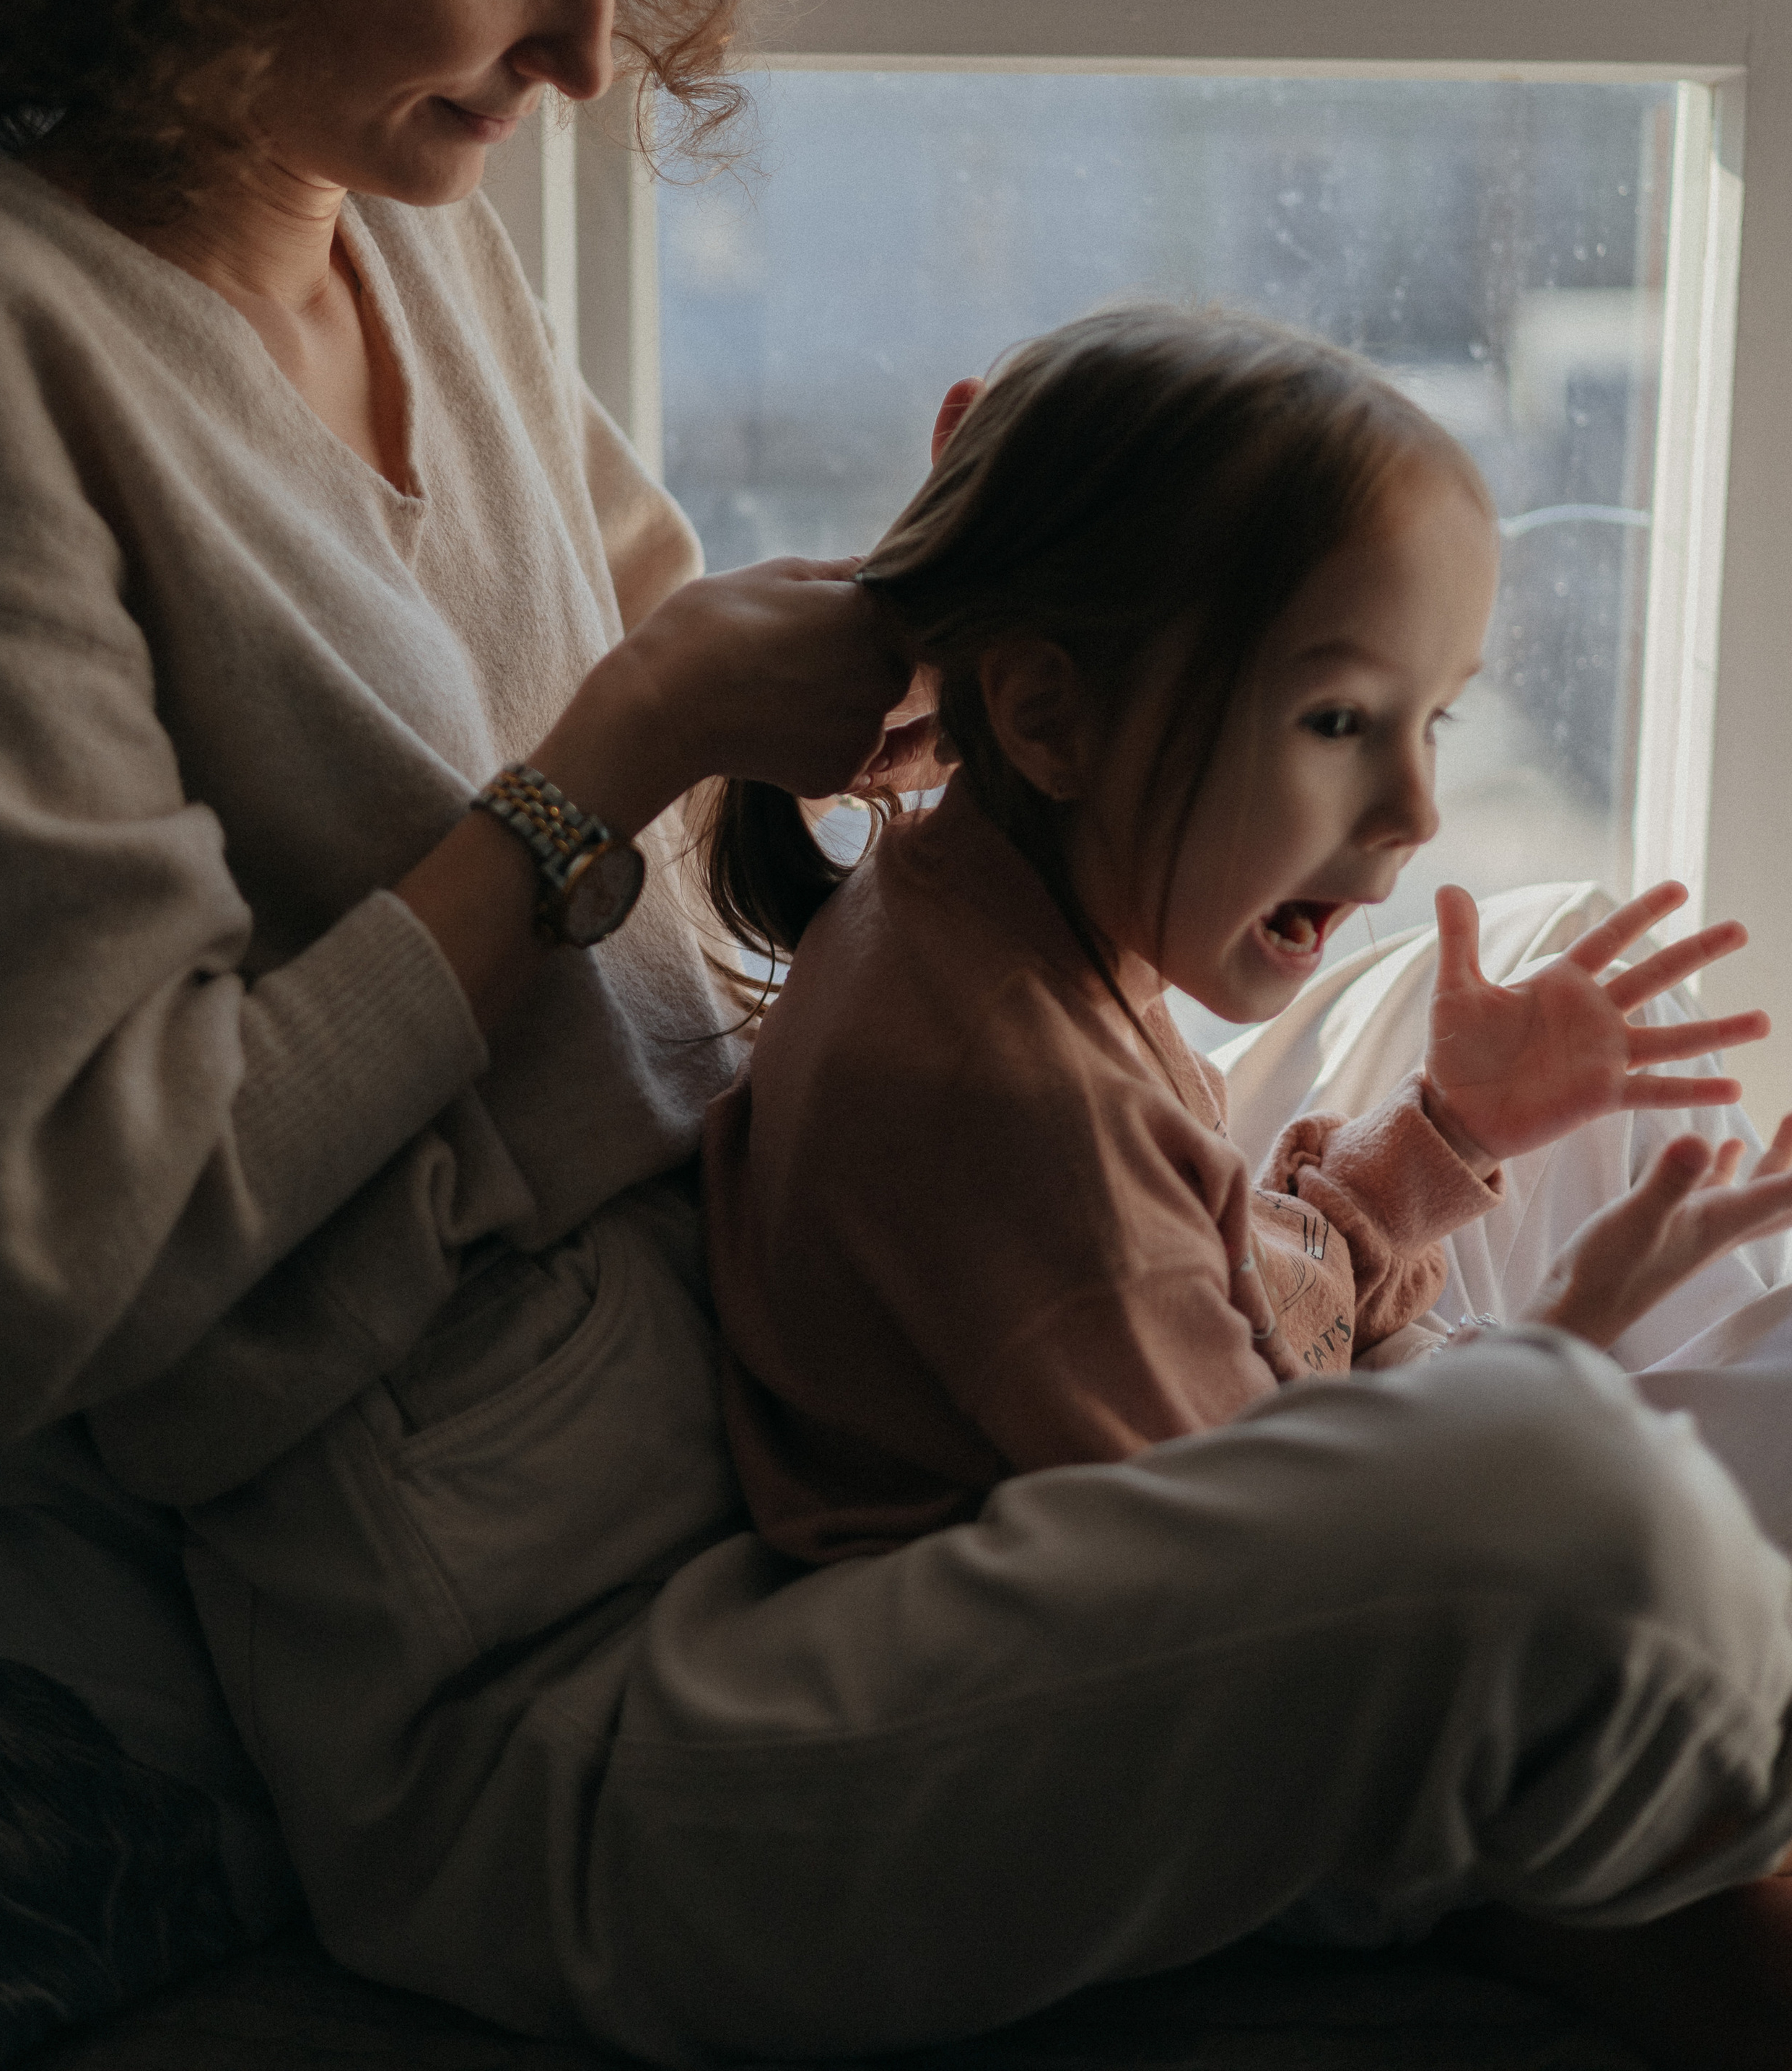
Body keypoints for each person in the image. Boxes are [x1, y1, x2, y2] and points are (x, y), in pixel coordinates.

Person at [0, 0, 1792, 2071]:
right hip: (568, 1679)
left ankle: (1525, 1773)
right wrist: (617, 763)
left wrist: (1026, 648)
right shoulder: (0, 348)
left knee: (1569, 1062)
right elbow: (58, 1255)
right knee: (1563, 1518)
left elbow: (737, 790)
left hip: (823, 1359)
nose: (591, 59)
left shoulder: (389, 210)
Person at [698, 309, 1792, 1564]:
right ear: (1050, 716)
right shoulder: (1024, 1125)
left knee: (1612, 1028)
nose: (1419, 811)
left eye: (1434, 718)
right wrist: (1562, 1349)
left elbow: (1245, 1295)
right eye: (1337, 721)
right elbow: (1283, 1593)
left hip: (1316, 1455)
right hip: (1266, 1608)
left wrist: (1448, 1135)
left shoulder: (1006, 921)